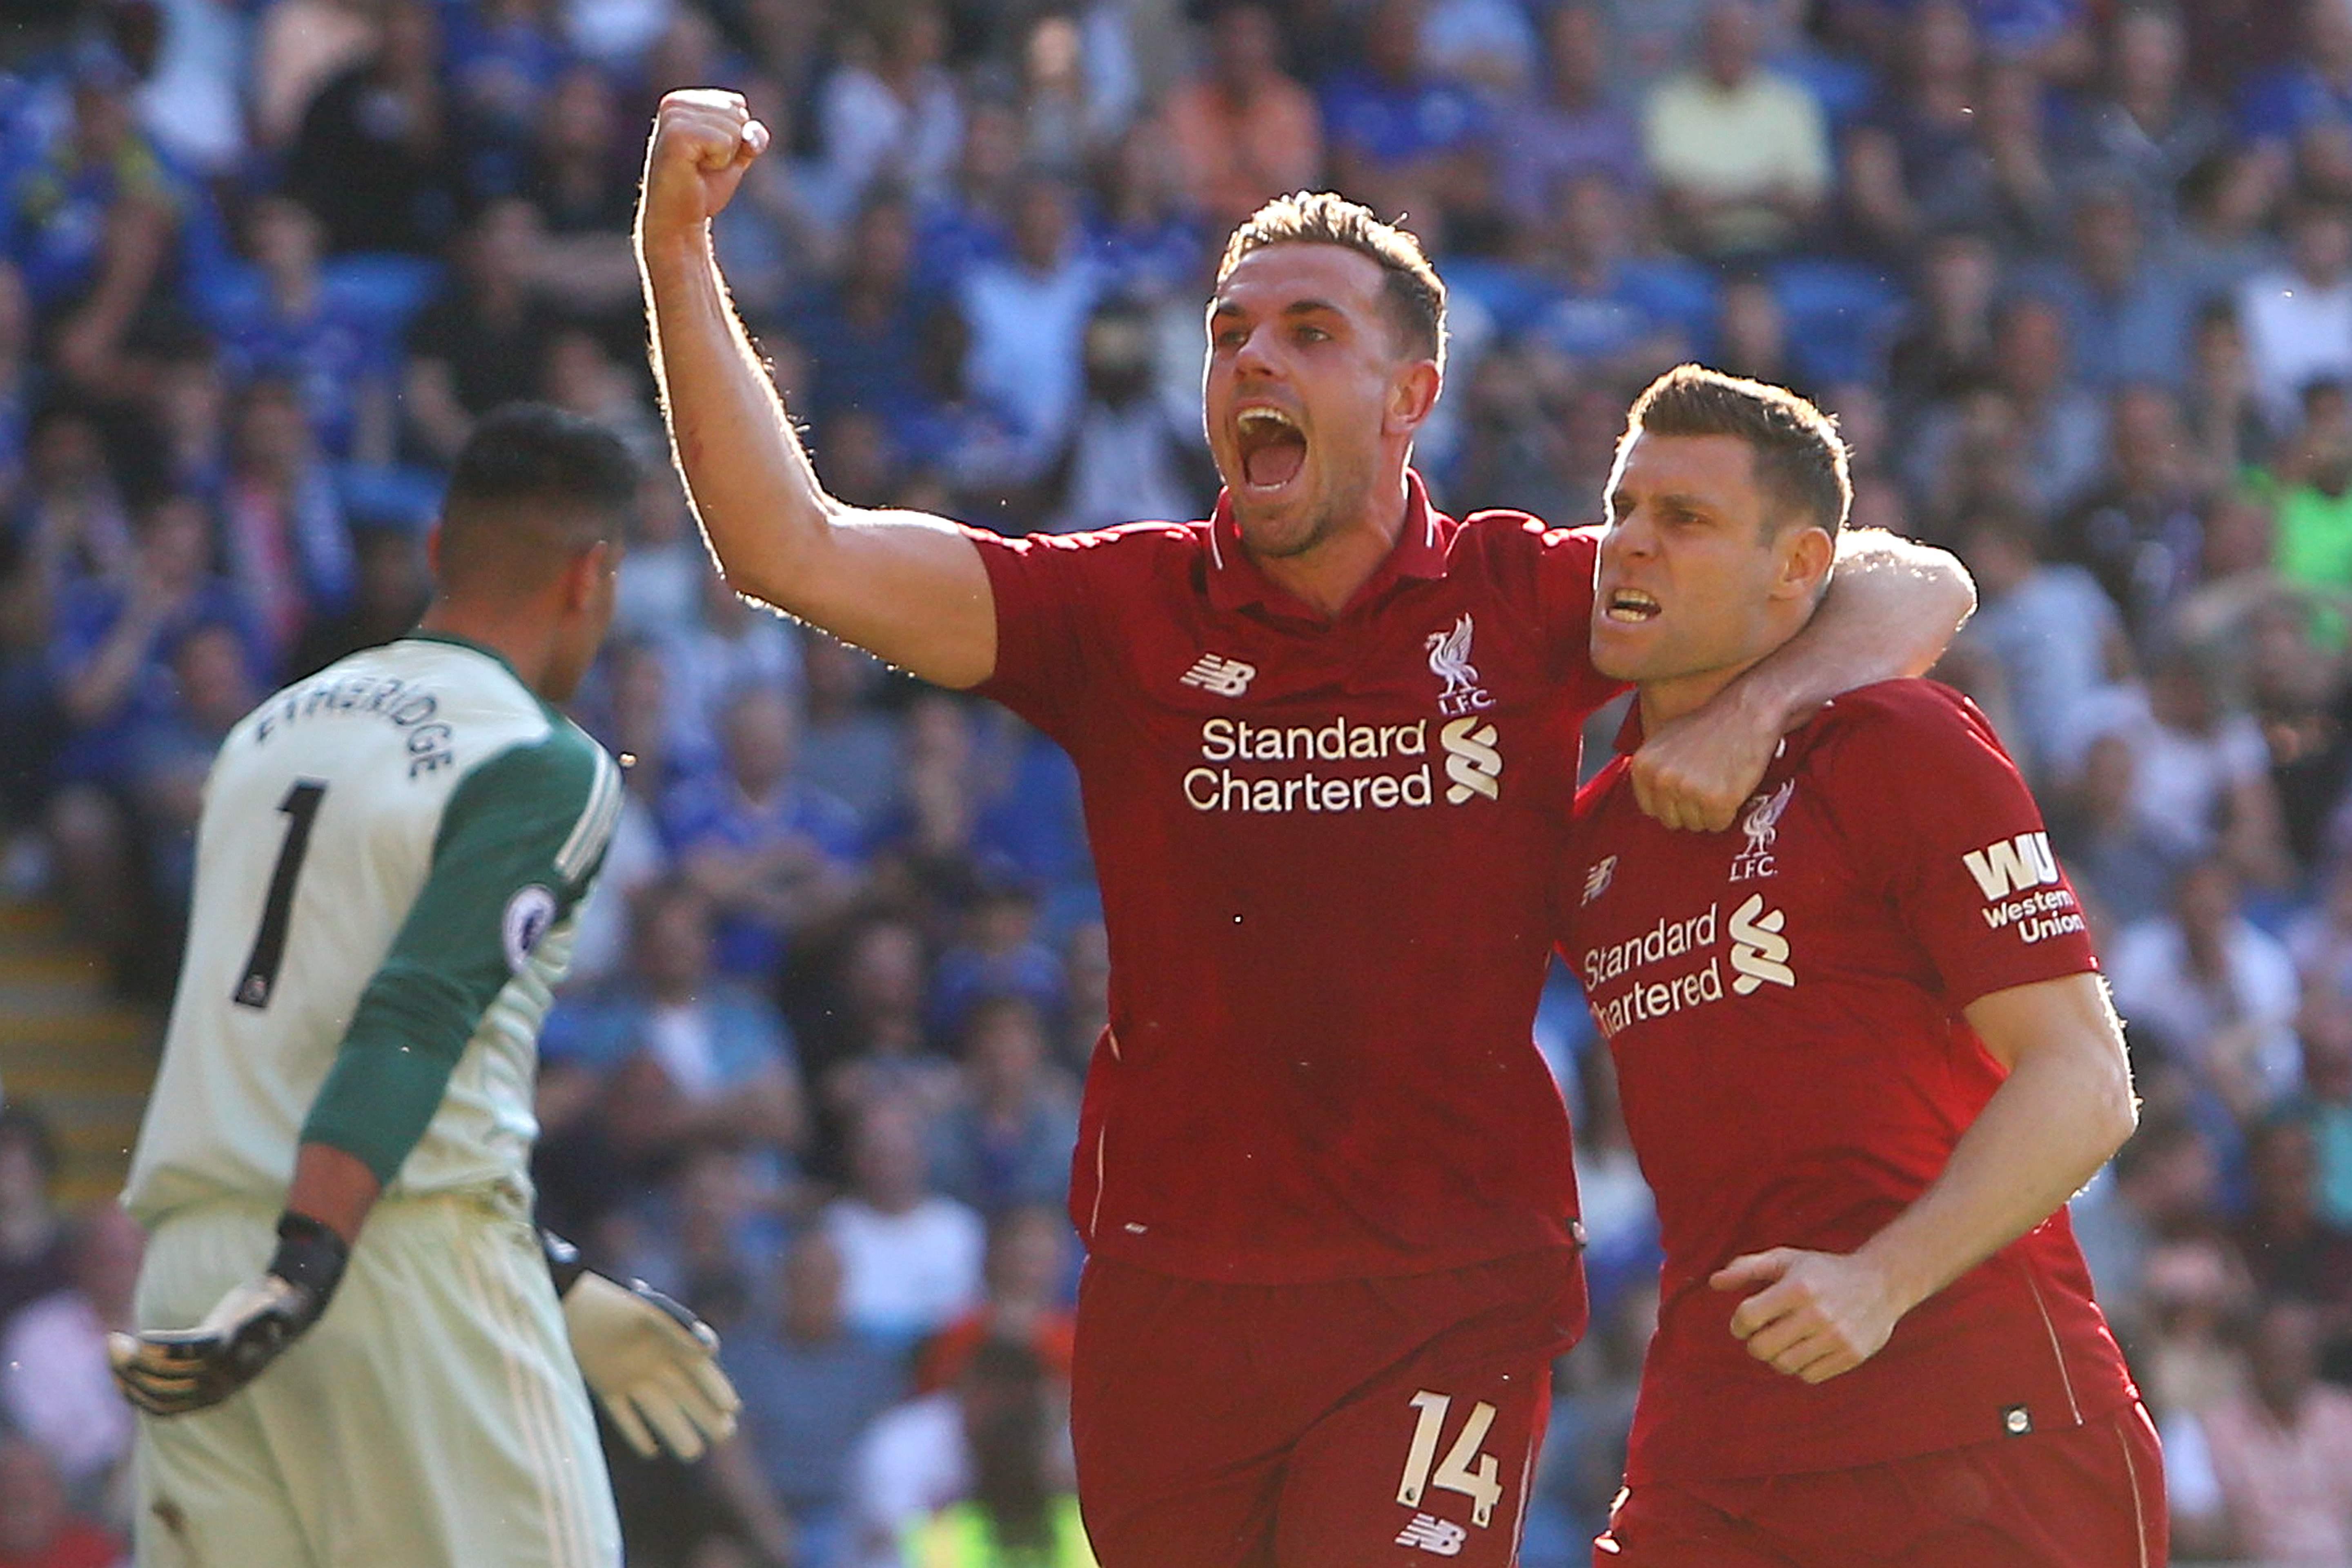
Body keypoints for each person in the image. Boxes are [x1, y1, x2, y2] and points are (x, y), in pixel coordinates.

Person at [638, 91, 1972, 1566]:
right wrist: (677, 248)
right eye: (1229, 334)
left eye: (1310, 334)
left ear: (1414, 398)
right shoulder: (1118, 610)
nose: (1253, 356)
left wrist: (1749, 715)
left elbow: (1907, 582)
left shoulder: (1526, 598)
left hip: (1448, 1289)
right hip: (1174, 1298)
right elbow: (787, 546)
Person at [107, 405, 739, 1568]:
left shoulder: (261, 737)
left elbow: (296, 1029)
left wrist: (549, 1280)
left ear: (440, 547)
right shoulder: (541, 761)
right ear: (593, 576)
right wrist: (311, 1263)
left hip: (196, 1271)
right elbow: (414, 1010)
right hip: (386, 1260)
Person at [1553, 365, 2162, 1565]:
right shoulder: (1593, 840)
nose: (1630, 545)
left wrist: (1882, 1281)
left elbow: (2087, 1084)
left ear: (1797, 569)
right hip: (1712, 1453)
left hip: (1987, 1438)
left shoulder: (1897, 740)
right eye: (1623, 509)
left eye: (1686, 520)